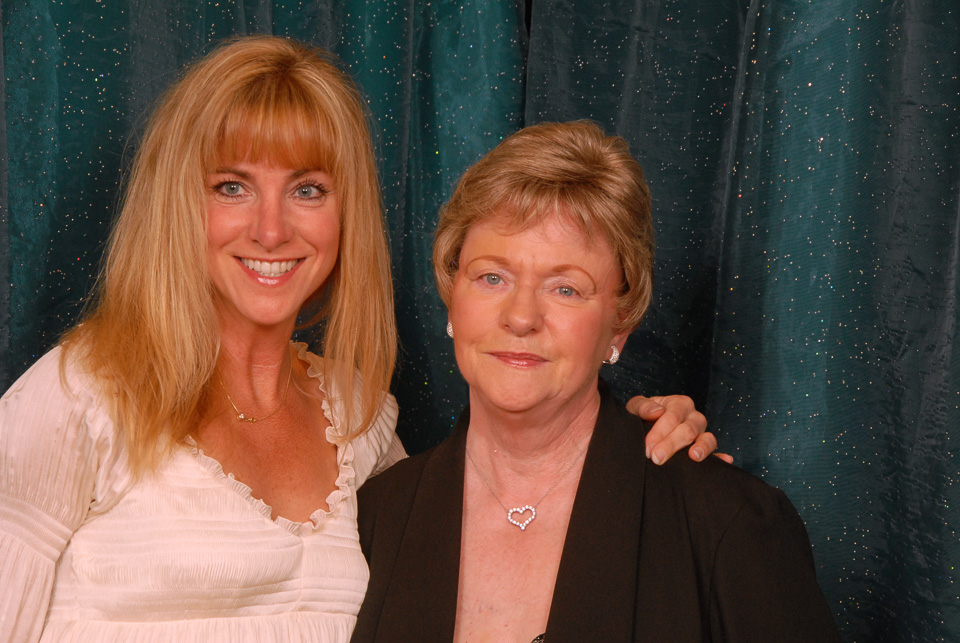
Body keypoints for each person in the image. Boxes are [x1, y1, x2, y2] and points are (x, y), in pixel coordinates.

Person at [0, 38, 716, 641]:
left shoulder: (361, 419)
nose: (272, 229)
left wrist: (637, 440)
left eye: (308, 189)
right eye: (232, 187)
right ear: (176, 201)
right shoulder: (79, 396)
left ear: (347, 212)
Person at [352, 121, 841, 642]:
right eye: (492, 277)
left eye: (565, 289)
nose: (521, 317)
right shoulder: (378, 513)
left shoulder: (726, 521)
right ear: (453, 294)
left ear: (621, 322)